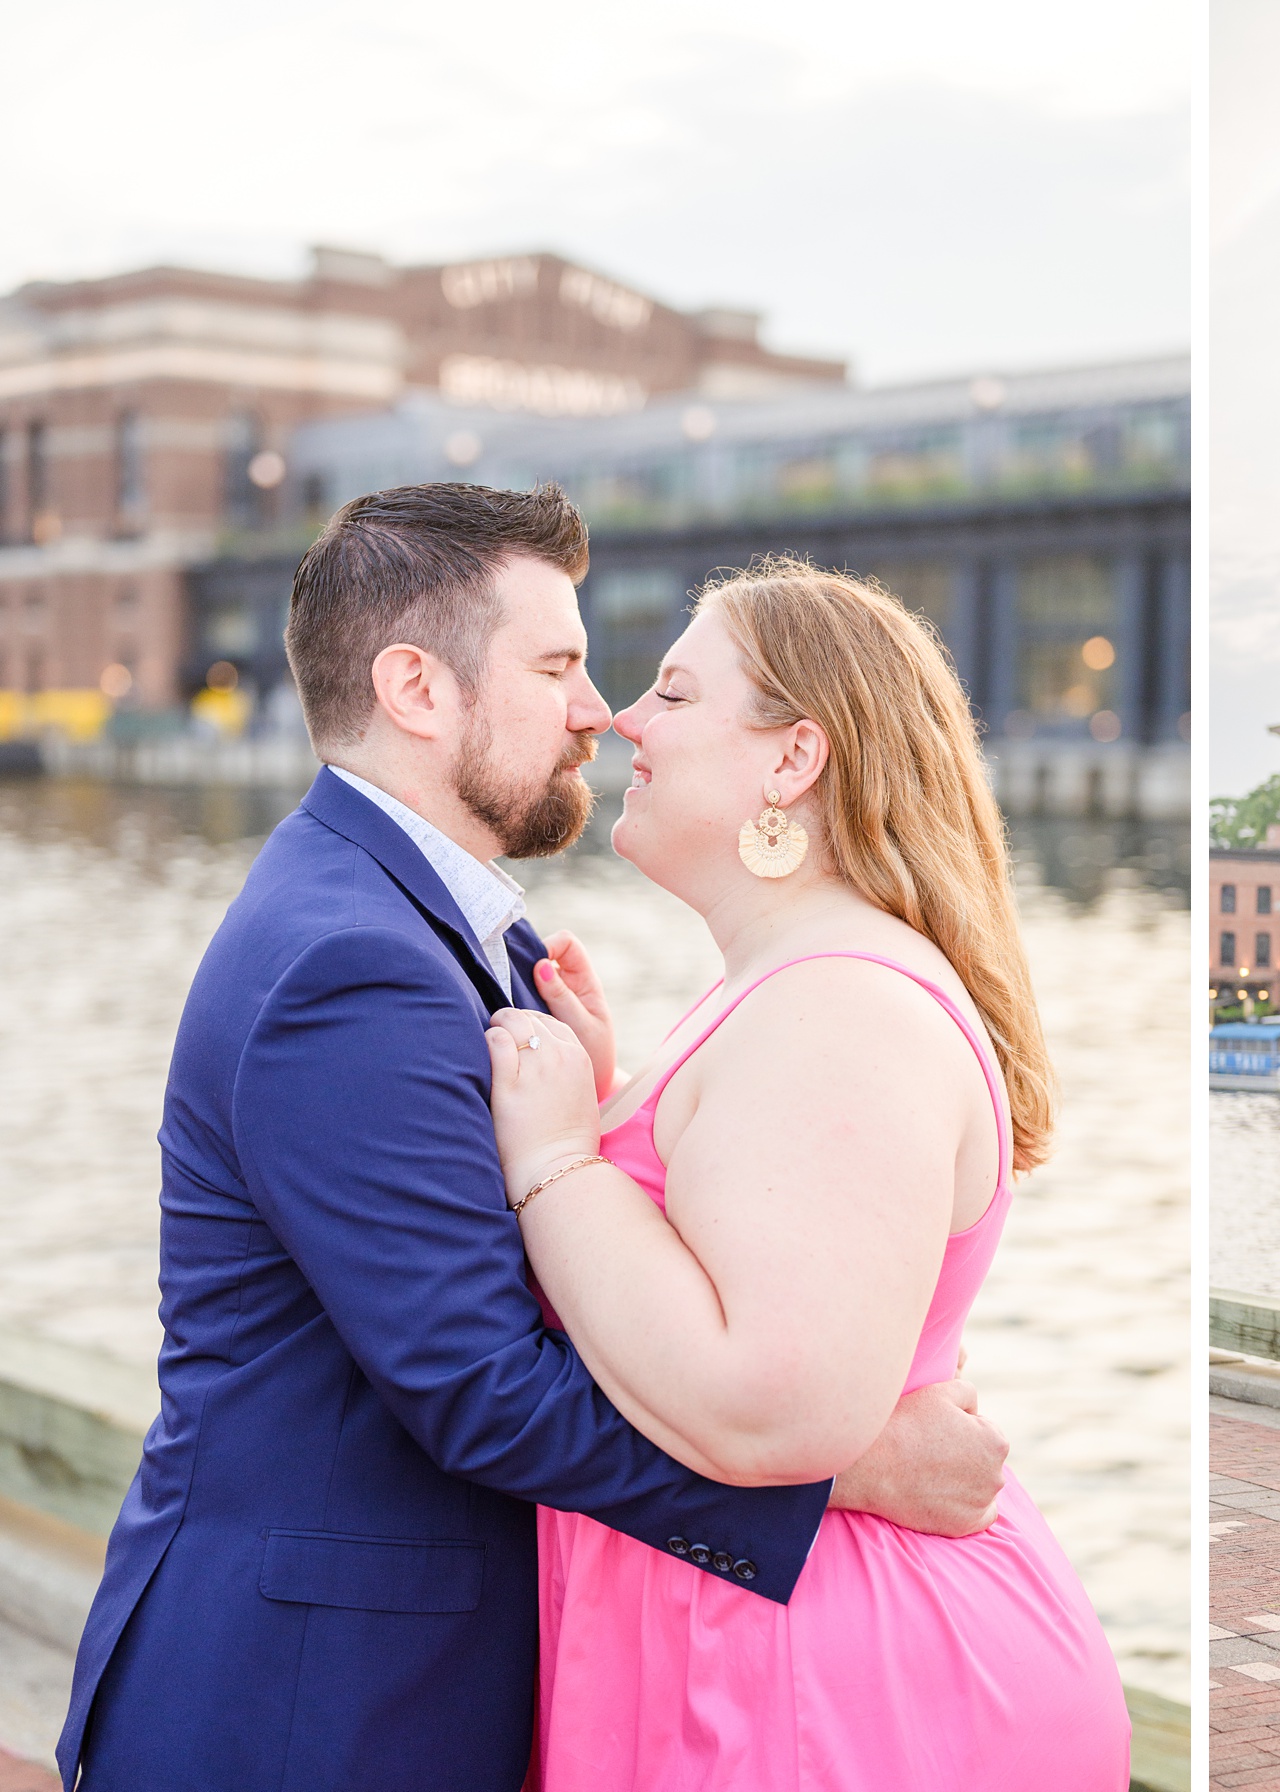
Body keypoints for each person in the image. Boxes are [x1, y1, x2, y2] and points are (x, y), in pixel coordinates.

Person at [59, 486, 1005, 1792]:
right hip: (309, 1716)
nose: (595, 709)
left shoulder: (433, 927)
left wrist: (606, 1127)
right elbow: (475, 1386)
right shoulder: (351, 960)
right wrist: (851, 1475)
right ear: (416, 690)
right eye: (558, 665)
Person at [485, 556, 1129, 1790]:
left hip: (829, 1690)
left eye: (674, 695)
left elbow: (765, 1400)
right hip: (763, 1649)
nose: (624, 718)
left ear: (793, 760)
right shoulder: (794, 983)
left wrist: (564, 1157)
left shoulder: (840, 1006)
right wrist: (621, 1107)